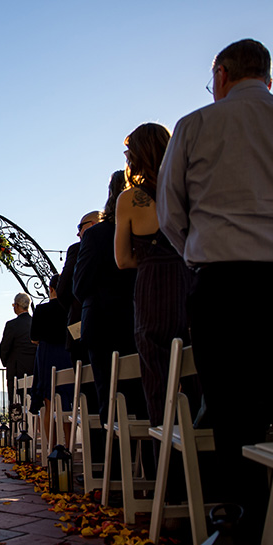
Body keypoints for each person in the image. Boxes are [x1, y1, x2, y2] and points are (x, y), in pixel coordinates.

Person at [157, 38, 273, 545]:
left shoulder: (196, 125)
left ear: (222, 73)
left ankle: (241, 529)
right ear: (269, 78)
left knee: (232, 413)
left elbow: (170, 212)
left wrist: (201, 249)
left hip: (225, 283)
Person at [115, 124, 196, 434]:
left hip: (152, 288)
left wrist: (150, 258)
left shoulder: (130, 199)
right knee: (194, 370)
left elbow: (123, 259)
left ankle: (166, 467)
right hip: (188, 280)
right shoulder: (189, 191)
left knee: (157, 375)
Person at [73, 171, 141, 418]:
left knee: (108, 398)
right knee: (144, 398)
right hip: (140, 317)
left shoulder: (97, 234)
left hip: (102, 325)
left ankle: (111, 455)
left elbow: (79, 286)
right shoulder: (152, 227)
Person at [56, 211, 104, 367]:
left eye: (80, 226)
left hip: (84, 326)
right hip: (121, 327)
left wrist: (73, 309)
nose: (77, 233)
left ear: (93, 225)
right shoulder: (120, 241)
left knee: (86, 385)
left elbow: (62, 289)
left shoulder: (78, 249)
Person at [29, 275, 72, 432]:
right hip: (67, 355)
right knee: (68, 403)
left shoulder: (41, 310)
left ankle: (50, 449)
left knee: (48, 402)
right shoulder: (71, 308)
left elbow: (34, 338)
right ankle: (68, 447)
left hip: (47, 357)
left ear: (51, 289)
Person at [0, 293, 37, 407]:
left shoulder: (12, 325)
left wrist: (7, 363)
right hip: (35, 369)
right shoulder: (35, 322)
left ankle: (16, 425)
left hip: (15, 371)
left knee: (16, 406)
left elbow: (4, 347)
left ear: (16, 306)